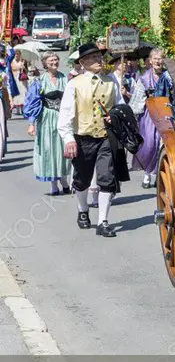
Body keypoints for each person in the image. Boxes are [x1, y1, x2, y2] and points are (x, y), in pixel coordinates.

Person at [56, 41, 123, 237]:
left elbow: (121, 106)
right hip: (83, 137)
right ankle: (83, 209)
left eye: (100, 57)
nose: (99, 60)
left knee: (107, 178)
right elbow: (65, 115)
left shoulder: (112, 82)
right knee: (82, 179)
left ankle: (103, 221)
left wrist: (115, 116)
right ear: (83, 62)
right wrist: (68, 139)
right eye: (94, 57)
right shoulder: (73, 85)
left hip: (106, 137)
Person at [24, 52, 72, 194]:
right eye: (51, 60)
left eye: (56, 60)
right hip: (46, 118)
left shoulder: (66, 79)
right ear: (45, 63)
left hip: (64, 117)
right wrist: (32, 123)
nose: (54, 62)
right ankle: (53, 184)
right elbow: (32, 102)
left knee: (64, 148)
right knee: (49, 149)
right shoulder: (40, 81)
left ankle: (63, 179)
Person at [129, 47, 173, 188]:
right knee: (149, 144)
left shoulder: (169, 76)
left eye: (160, 58)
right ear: (150, 60)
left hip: (166, 113)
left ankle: (158, 175)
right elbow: (137, 99)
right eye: (155, 59)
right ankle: (147, 174)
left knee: (162, 144)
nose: (158, 61)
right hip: (149, 115)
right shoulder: (144, 79)